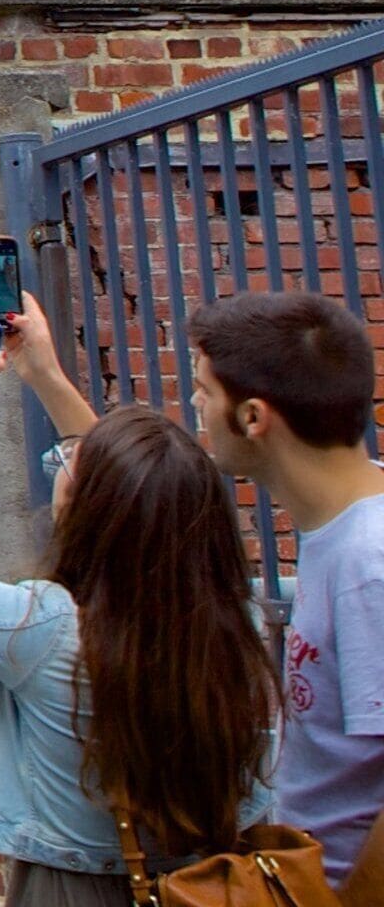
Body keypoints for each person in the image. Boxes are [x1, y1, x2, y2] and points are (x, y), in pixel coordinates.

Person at [0, 292, 275, 902]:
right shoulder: (244, 621)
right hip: (218, 883)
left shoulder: (43, 628)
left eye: (68, 469)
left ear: (85, 512)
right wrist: (45, 377)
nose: (63, 466)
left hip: (76, 888)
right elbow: (134, 491)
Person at [101, 291, 384, 886]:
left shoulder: (370, 562)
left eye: (204, 391)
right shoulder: (342, 532)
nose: (195, 406)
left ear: (253, 417)